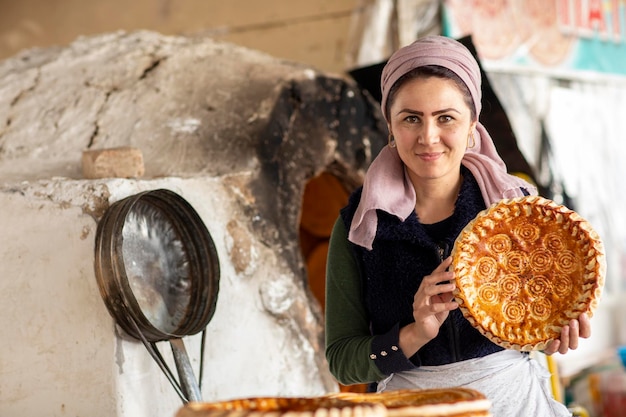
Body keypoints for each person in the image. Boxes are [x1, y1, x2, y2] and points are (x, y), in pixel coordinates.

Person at [324, 35, 590, 416]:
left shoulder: (518, 211)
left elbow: (538, 328)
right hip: (409, 407)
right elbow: (342, 360)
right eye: (411, 118)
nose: (428, 137)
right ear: (390, 126)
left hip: (514, 403)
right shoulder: (358, 227)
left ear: (472, 126)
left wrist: (550, 336)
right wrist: (414, 334)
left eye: (446, 117)